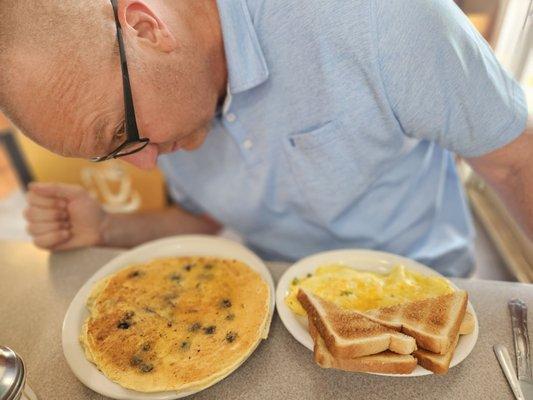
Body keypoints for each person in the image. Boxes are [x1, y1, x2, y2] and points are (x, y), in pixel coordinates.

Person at [0, 0, 531, 277]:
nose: (142, 166)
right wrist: (107, 227)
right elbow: (208, 218)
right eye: (114, 151)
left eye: (123, 134)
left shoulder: (378, 18)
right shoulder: (164, 114)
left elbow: (517, 163)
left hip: (426, 288)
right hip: (280, 299)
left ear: (145, 28)